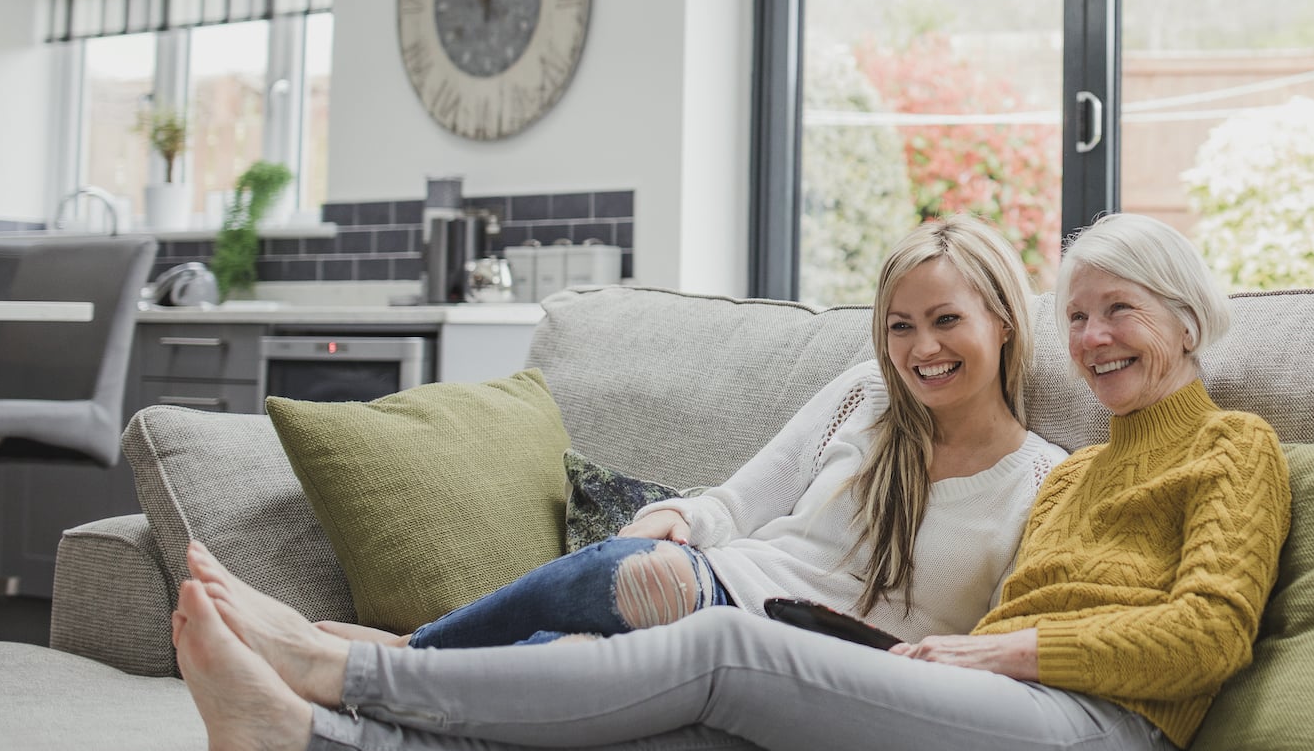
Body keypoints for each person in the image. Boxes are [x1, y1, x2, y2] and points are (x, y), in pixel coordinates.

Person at [175, 211, 1291, 751]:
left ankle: (348, 677)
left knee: (717, 641)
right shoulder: (1082, 473)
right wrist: (985, 653)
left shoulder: (1234, 447)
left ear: (1187, 320)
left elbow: (1208, 635)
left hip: (1100, 722)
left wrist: (1004, 648)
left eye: (1121, 312)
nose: (1094, 337)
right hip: (990, 689)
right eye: (1081, 314)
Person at [342, 213, 1063, 652]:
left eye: (946, 321)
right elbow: (738, 504)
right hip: (727, 589)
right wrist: (677, 515)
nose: (921, 350)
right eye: (900, 327)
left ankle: (404, 655)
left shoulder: (1043, 479)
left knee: (619, 615)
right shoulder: (866, 396)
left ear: (1002, 321)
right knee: (584, 633)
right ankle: (394, 664)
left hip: (823, 658)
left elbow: (1003, 633)